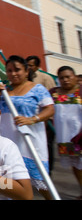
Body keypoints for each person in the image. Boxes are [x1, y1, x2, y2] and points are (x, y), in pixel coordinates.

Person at [0, 55, 55, 199]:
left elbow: (50, 109)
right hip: (8, 144)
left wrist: (32, 119)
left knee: (41, 183)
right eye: (9, 70)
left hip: (30, 145)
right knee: (8, 184)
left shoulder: (37, 89)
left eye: (17, 70)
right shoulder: (4, 91)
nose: (13, 73)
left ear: (26, 71)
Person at [49, 66, 82, 198]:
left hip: (80, 137)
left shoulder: (81, 91)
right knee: (76, 166)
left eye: (68, 77)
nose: (65, 80)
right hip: (66, 138)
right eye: (62, 78)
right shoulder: (54, 93)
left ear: (75, 77)